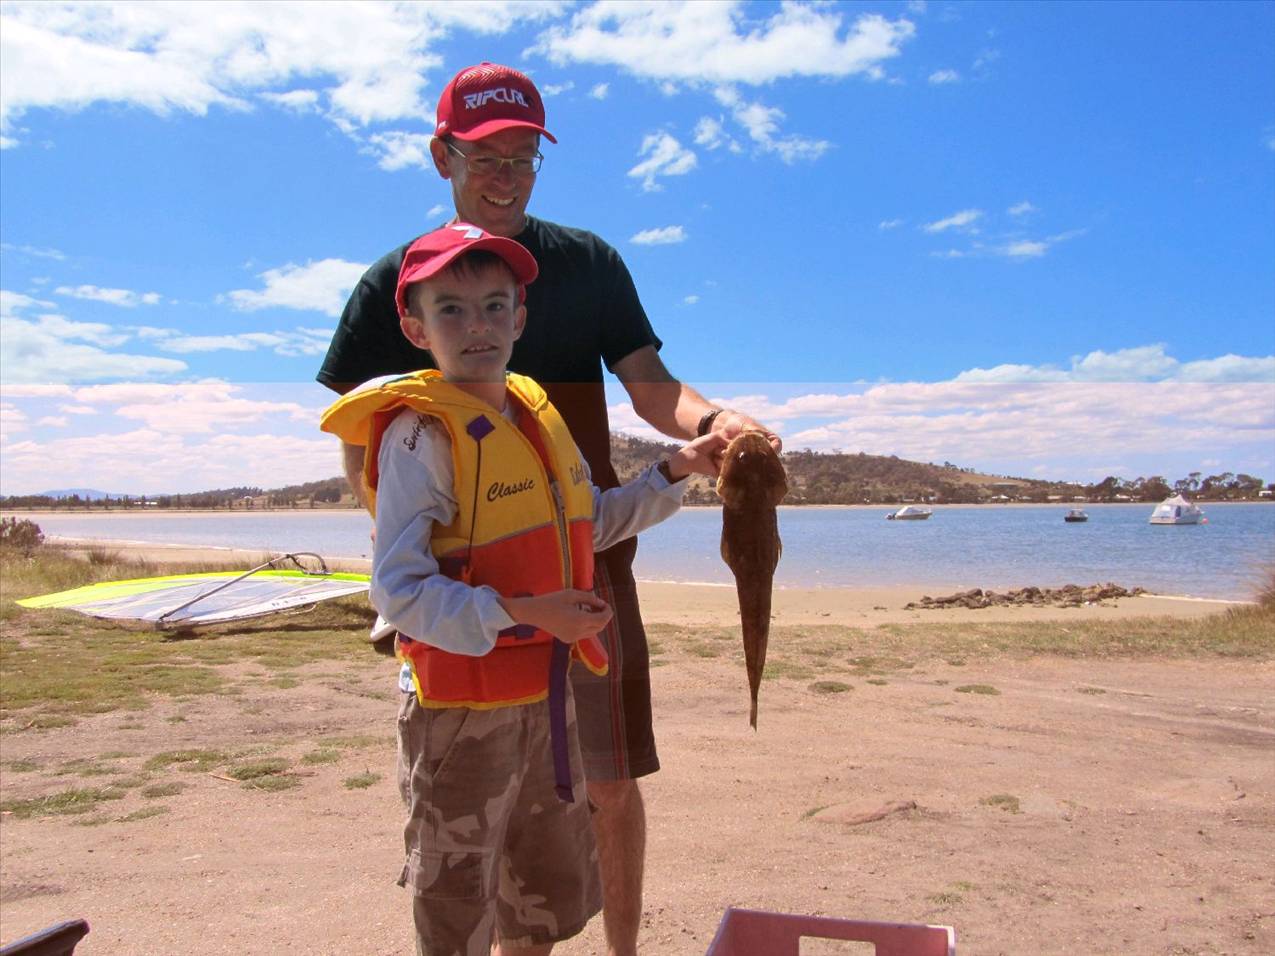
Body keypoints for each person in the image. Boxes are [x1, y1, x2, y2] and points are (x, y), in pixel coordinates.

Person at [316, 61, 779, 955]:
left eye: (523, 157)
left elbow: (650, 388)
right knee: (474, 802)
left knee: (595, 784)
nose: (505, 176)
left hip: (586, 570)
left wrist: (712, 429)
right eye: (484, 156)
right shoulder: (398, 282)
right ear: (442, 156)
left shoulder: (587, 266)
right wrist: (407, 573)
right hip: (464, 591)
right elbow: (361, 444)